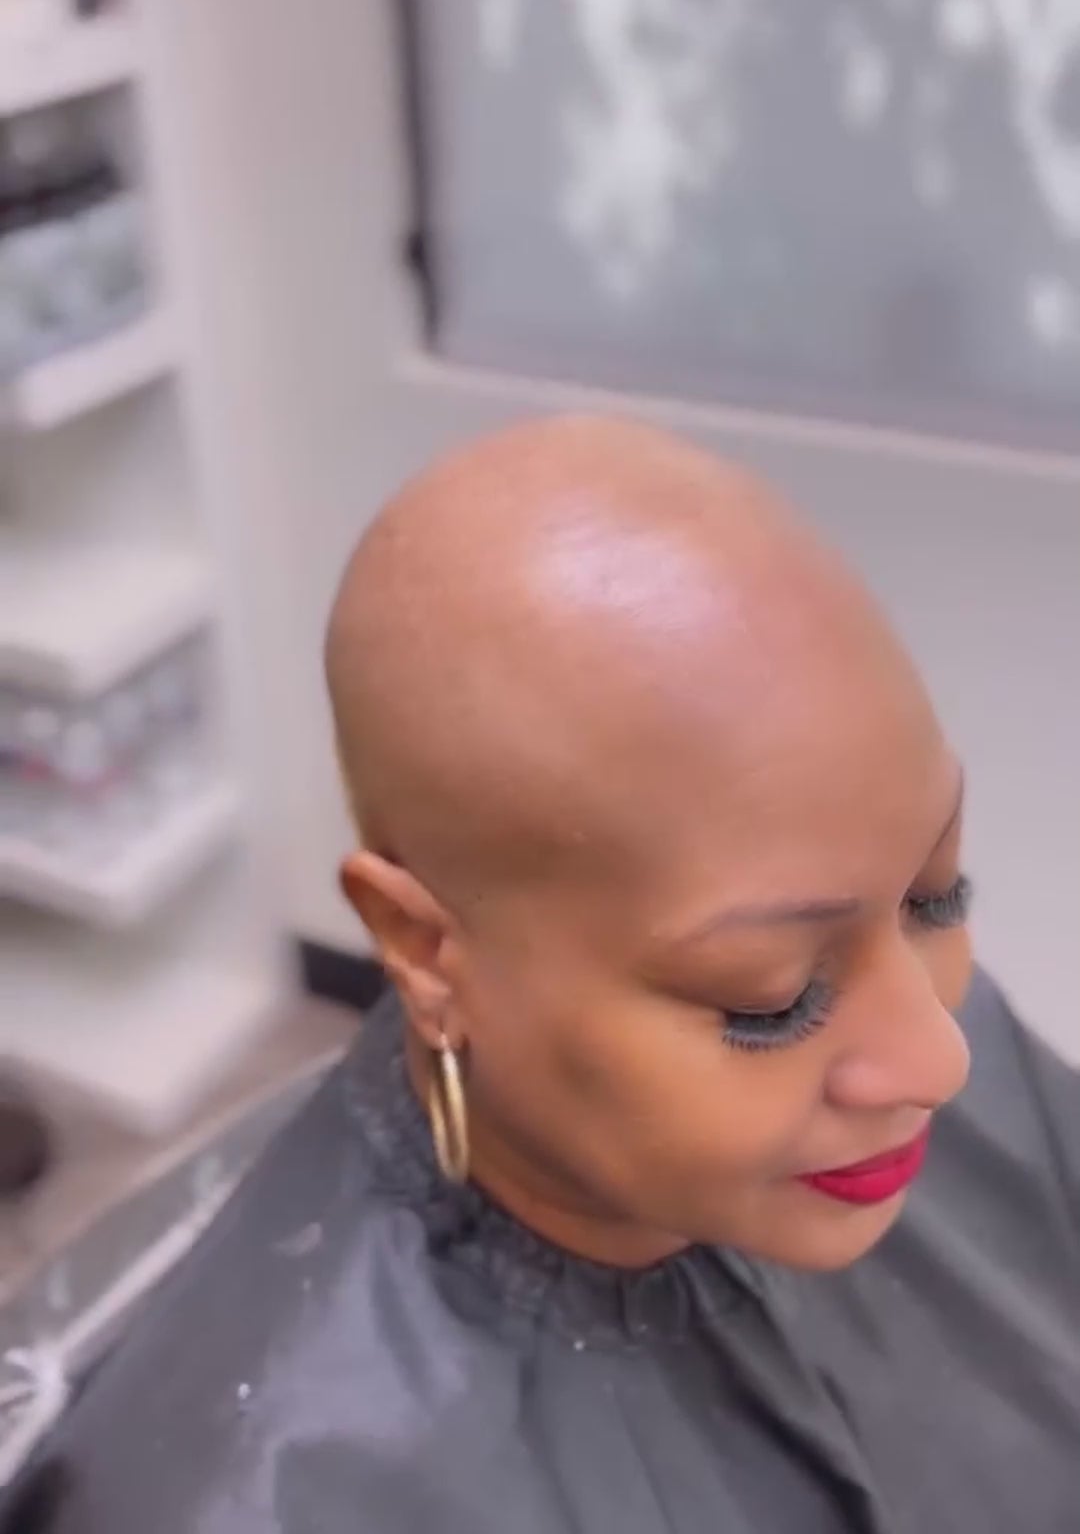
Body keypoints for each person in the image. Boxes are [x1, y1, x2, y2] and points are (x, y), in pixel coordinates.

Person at [4, 415, 1078, 1533]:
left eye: (935, 894)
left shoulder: (942, 1046)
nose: (939, 1060)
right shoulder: (244, 1491)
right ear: (427, 952)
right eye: (769, 997)